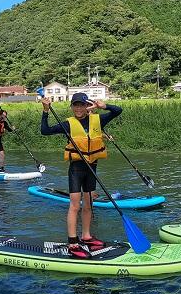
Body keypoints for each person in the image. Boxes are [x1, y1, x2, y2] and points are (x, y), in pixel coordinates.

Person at [40, 92, 122, 258]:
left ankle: (86, 236)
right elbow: (45, 131)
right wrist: (46, 110)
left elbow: (118, 110)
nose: (78, 108)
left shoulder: (98, 120)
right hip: (76, 169)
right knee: (75, 205)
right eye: (75, 105)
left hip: (92, 167)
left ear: (87, 106)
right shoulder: (68, 124)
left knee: (89, 204)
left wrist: (102, 106)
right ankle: (73, 242)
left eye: (81, 105)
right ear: (72, 107)